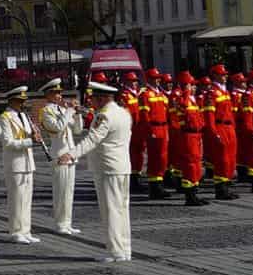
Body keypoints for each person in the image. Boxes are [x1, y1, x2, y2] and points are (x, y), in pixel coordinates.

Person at [69, 81, 134, 263]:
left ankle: (115, 251)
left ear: (102, 98)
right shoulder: (123, 113)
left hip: (107, 168)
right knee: (122, 209)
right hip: (122, 166)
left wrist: (71, 154)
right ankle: (125, 248)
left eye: (94, 100)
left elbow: (92, 140)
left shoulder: (103, 117)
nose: (92, 103)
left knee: (110, 210)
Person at [0, 84, 38, 242]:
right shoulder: (5, 117)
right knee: (16, 198)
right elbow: (8, 142)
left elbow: (28, 135)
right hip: (15, 163)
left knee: (27, 198)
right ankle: (15, 231)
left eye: (23, 101)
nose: (23, 104)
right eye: (20, 101)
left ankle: (26, 230)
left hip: (27, 162)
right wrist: (29, 141)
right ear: (12, 101)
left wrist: (33, 136)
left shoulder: (24, 116)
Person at [35, 80, 82, 235]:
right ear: (48, 94)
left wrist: (78, 114)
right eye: (56, 93)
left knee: (69, 191)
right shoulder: (46, 111)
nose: (59, 95)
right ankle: (60, 223)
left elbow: (77, 130)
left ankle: (67, 223)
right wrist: (69, 111)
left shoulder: (63, 110)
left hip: (71, 153)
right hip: (59, 154)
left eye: (60, 92)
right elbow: (56, 128)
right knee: (60, 191)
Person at [166, 71, 208, 208]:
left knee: (196, 163)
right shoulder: (182, 99)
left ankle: (195, 192)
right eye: (191, 85)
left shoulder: (192, 99)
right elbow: (181, 110)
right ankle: (189, 195)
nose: (194, 87)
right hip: (187, 135)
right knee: (190, 164)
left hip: (195, 135)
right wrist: (185, 93)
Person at [205, 69, 239, 201]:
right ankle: (220, 189)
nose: (225, 76)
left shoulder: (225, 91)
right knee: (222, 159)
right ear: (215, 76)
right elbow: (209, 115)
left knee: (230, 159)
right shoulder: (211, 93)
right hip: (220, 127)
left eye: (225, 74)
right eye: (222, 74)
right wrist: (214, 132)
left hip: (229, 127)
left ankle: (226, 187)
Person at [138, 69, 171, 199]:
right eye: (156, 77)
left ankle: (159, 183)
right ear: (149, 79)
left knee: (163, 158)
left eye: (158, 77)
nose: (158, 80)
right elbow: (144, 115)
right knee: (154, 158)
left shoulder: (161, 94)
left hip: (163, 127)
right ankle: (154, 187)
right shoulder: (145, 95)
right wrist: (149, 131)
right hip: (154, 128)